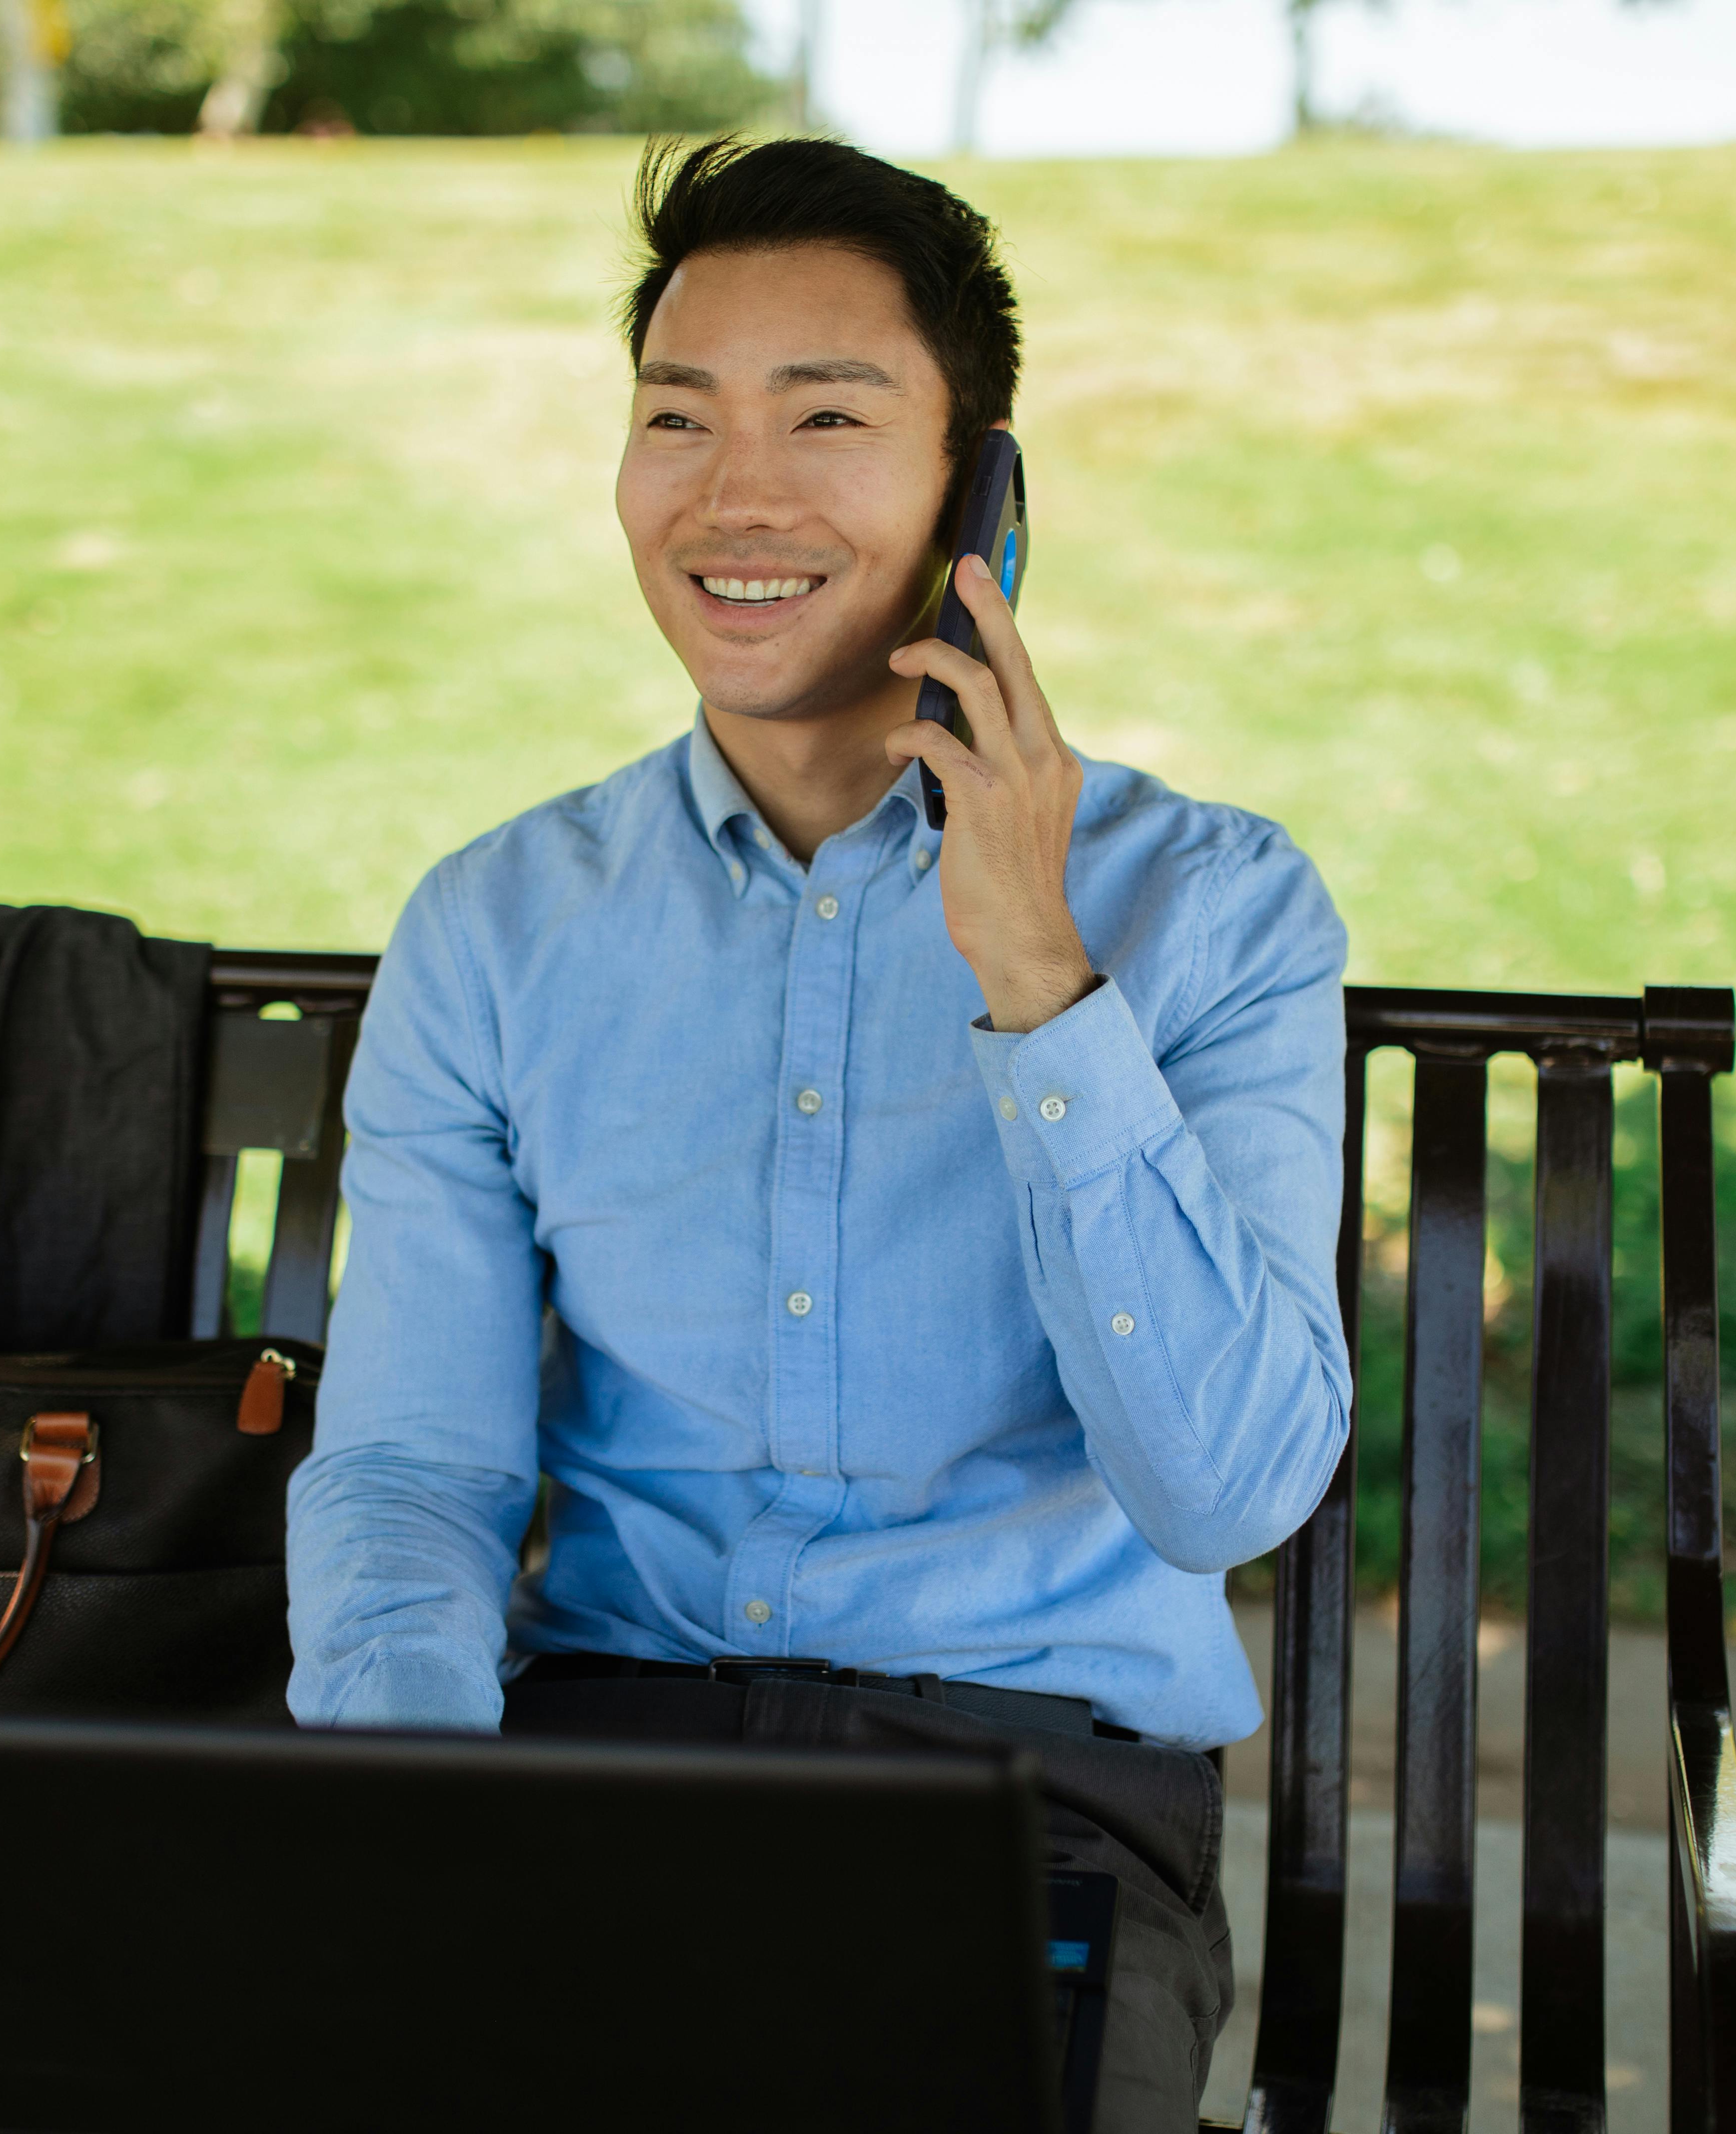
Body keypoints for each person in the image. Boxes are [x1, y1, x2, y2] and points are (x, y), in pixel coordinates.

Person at [284, 134, 1352, 2128]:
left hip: (1029, 1811)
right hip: (597, 1766)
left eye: (830, 418)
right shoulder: (498, 929)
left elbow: (1228, 1492)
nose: (733, 495)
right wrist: (398, 1804)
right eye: (675, 418)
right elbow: (418, 1460)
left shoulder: (1219, 914)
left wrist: (1037, 972)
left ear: (984, 497)